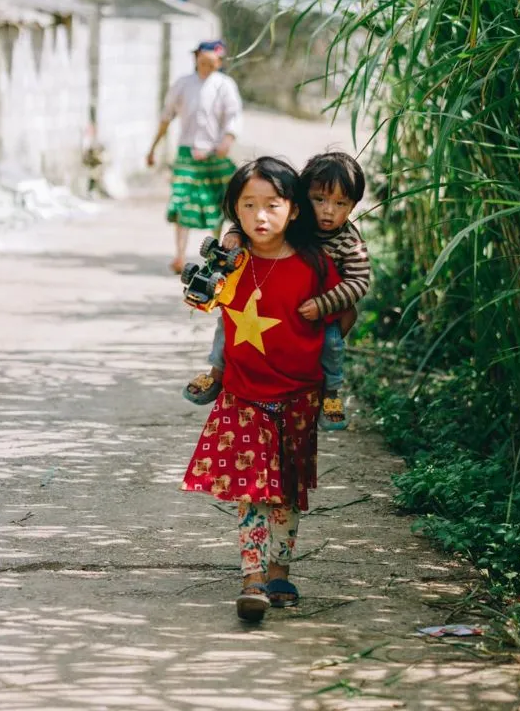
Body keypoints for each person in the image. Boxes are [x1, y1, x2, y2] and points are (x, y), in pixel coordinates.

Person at [180, 157, 341, 622]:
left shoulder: (314, 264)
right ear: (234, 211)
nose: (260, 216)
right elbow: (202, 295)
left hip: (300, 396)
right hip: (244, 393)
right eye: (248, 205)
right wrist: (199, 285)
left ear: (293, 210)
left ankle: (279, 570)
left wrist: (333, 380)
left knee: (287, 490)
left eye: (272, 204)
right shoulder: (233, 262)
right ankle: (252, 577)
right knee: (252, 489)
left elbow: (341, 316)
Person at [183, 151, 370, 431]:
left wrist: (325, 304)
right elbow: (261, 217)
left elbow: (358, 282)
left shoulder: (349, 242)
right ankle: (216, 373)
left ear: (353, 206)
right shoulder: (298, 223)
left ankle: (330, 393)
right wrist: (236, 232)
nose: (328, 211)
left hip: (328, 305)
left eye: (340, 203)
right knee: (229, 320)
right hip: (284, 299)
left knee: (331, 344)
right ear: (302, 199)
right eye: (319, 200)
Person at [146, 40, 243, 273]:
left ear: (220, 62)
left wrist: (227, 140)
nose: (208, 63)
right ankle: (179, 255)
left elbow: (234, 117)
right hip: (187, 153)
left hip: (214, 153)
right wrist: (153, 148)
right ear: (197, 57)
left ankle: (219, 253)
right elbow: (166, 116)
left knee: (219, 203)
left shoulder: (225, 85)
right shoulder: (183, 84)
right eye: (204, 58)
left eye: (213, 60)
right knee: (182, 202)